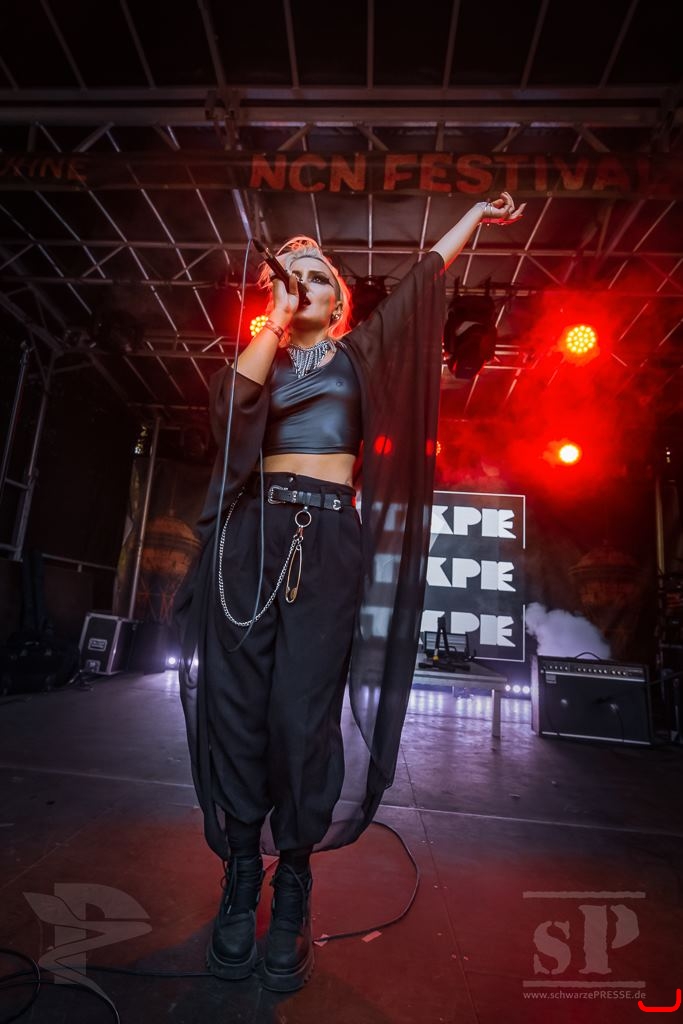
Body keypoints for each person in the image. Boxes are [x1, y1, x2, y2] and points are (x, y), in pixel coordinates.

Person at [174, 192, 525, 992]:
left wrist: (473, 215)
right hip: (249, 538)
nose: (302, 283)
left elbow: (422, 279)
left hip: (325, 539)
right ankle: (241, 873)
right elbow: (229, 415)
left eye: (317, 276)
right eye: (290, 274)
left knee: (301, 715)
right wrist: (272, 319)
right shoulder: (263, 354)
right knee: (236, 707)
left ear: (338, 302)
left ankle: (293, 880)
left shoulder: (357, 355)